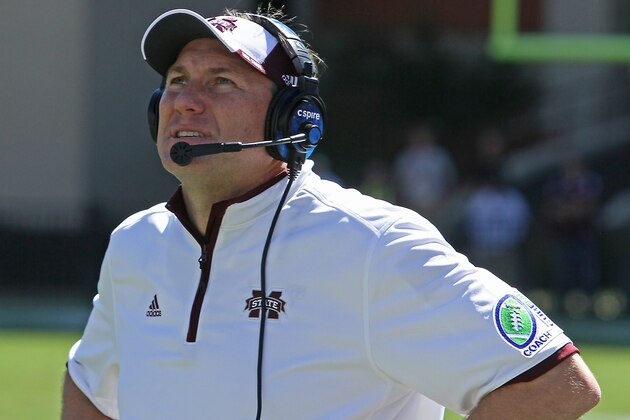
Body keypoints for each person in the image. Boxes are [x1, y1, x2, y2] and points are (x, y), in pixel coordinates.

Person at [62, 7, 600, 420]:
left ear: (291, 118)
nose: (185, 100)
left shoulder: (374, 243)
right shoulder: (136, 242)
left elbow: (555, 384)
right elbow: (89, 387)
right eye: (177, 80)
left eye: (221, 82)